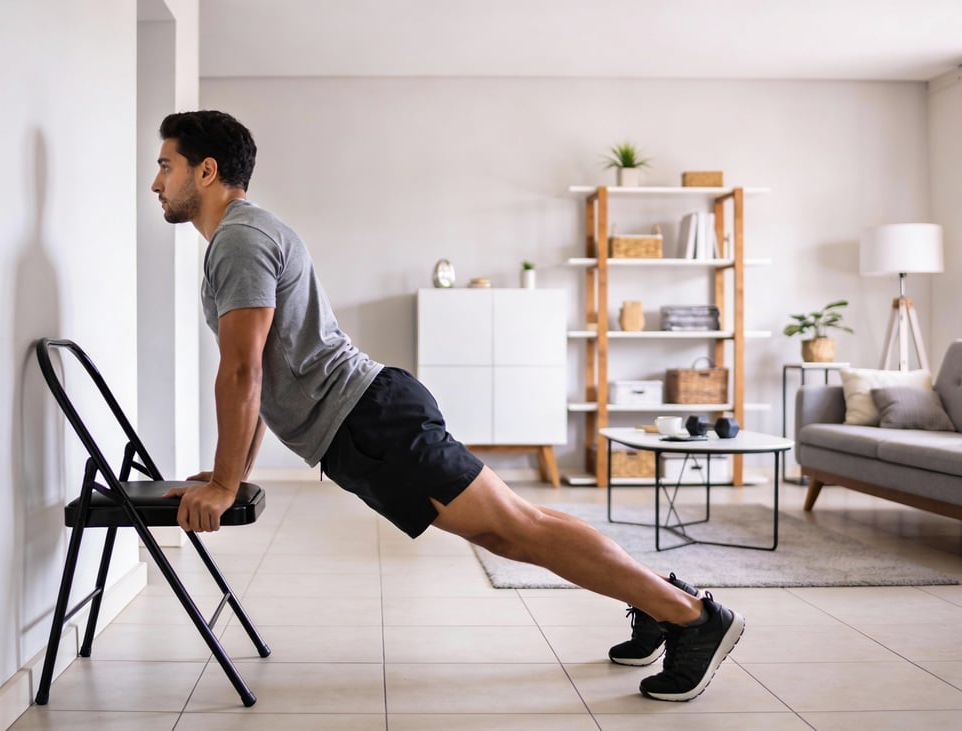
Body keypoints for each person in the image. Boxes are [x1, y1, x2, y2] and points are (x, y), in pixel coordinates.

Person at [150, 110, 744, 702]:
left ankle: (694, 619)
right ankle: (663, 601)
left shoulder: (240, 240)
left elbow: (244, 371)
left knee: (519, 531)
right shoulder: (245, 234)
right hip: (367, 417)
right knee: (518, 526)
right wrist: (232, 475)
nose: (157, 183)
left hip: (369, 422)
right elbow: (261, 372)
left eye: (165, 166)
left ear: (206, 171)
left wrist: (225, 484)